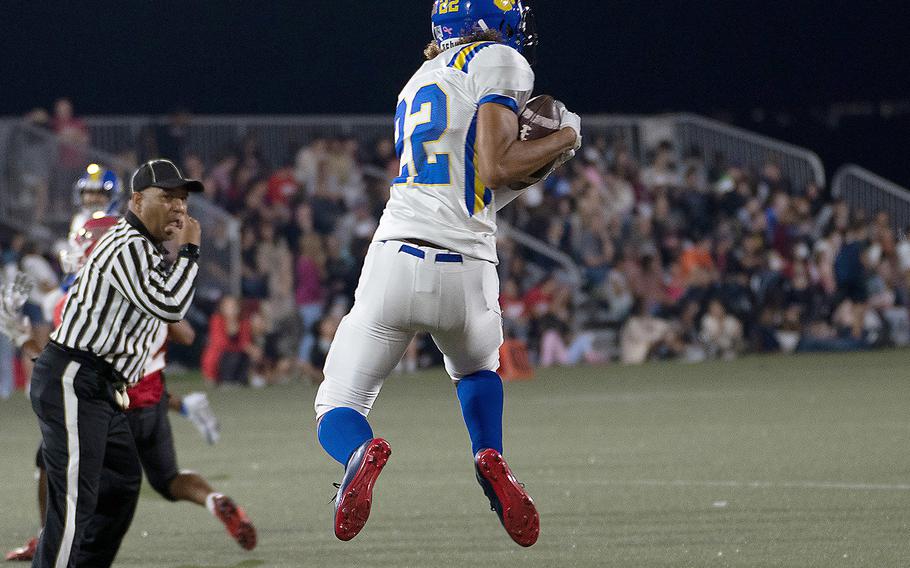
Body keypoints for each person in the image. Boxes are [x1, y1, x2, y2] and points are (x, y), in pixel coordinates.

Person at [313, 0, 580, 547]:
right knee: (478, 370)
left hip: (395, 255)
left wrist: (536, 160)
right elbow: (495, 168)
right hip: (468, 268)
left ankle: (357, 454)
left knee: (338, 403)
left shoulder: (417, 82)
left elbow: (478, 185)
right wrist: (565, 138)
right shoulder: (501, 59)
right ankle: (490, 456)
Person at [28, 159, 202, 567]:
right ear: (138, 201)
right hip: (74, 377)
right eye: (168, 198)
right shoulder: (125, 244)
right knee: (74, 504)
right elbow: (171, 304)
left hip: (103, 386)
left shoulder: (146, 247)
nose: (179, 208)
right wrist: (191, 249)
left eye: (183, 199)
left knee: (122, 485)